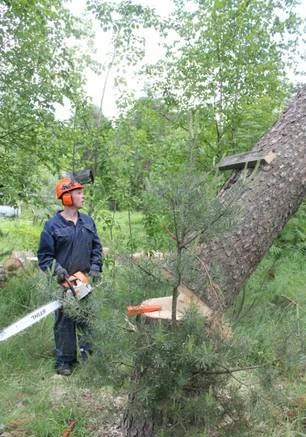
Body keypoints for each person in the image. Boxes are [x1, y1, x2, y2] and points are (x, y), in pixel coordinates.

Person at [37, 177, 103, 376]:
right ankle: (65, 361)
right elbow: (44, 256)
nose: (82, 196)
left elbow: (96, 248)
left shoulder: (88, 221)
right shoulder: (52, 226)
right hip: (63, 283)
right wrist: (57, 270)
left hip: (84, 281)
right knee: (64, 323)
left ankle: (89, 358)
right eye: (79, 193)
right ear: (67, 197)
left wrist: (95, 266)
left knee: (87, 319)